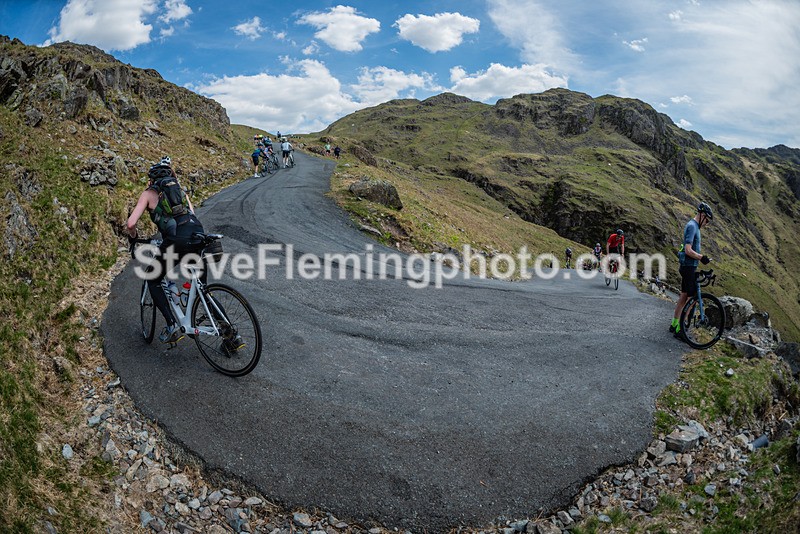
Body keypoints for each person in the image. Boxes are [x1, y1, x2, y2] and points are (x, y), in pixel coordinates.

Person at [126, 158, 205, 344]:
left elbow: (131, 223)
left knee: (153, 278)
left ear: (151, 180)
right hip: (197, 233)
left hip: (176, 239)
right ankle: (230, 334)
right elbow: (192, 214)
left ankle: (172, 325)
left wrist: (133, 236)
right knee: (204, 289)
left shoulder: (149, 193)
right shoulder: (180, 191)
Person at [671, 203, 714, 337]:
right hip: (688, 266)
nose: (706, 223)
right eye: (706, 220)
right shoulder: (692, 226)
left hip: (688, 266)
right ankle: (681, 331)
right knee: (691, 299)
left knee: (684, 296)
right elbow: (688, 250)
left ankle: (674, 325)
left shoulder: (694, 227)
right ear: (701, 215)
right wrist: (702, 257)